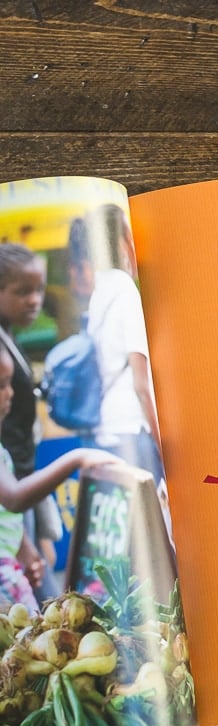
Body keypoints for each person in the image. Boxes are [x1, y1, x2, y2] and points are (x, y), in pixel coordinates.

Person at [0, 342, 119, 614]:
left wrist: (24, 546)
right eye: (1, 385)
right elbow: (13, 498)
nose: (10, 393)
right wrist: (76, 458)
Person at [67, 209, 166, 493]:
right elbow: (141, 384)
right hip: (131, 431)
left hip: (103, 431)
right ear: (121, 242)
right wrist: (165, 448)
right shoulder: (124, 289)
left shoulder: (100, 292)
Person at [0, 243, 61, 602]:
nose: (33, 300)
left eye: (39, 290)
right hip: (13, 489)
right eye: (22, 291)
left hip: (19, 480)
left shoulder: (10, 337)